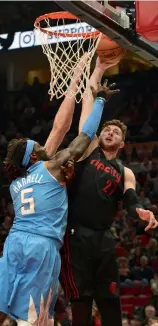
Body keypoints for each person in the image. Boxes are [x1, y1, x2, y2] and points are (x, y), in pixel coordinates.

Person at [0, 82, 118, 326]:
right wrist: (100, 101)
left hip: (14, 243)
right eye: (38, 146)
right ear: (33, 156)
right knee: (36, 318)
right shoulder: (51, 168)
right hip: (41, 246)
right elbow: (84, 137)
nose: (43, 146)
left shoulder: (16, 183)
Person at [59, 65, 158, 326]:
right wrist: (98, 71)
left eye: (117, 132)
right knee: (81, 301)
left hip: (104, 239)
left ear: (123, 143)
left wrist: (140, 211)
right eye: (107, 130)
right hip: (76, 235)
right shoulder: (88, 150)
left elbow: (130, 199)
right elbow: (87, 115)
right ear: (99, 135)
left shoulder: (125, 171)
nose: (110, 132)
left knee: (110, 302)